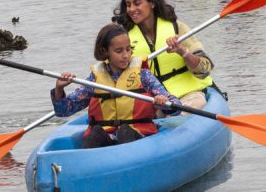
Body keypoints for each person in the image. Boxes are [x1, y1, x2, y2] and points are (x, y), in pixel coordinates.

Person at [51, 23, 181, 149]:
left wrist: (162, 102)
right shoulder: (95, 79)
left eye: (128, 49)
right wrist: (59, 89)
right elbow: (64, 111)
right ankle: (86, 166)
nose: (125, 55)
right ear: (105, 51)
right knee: (96, 132)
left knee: (125, 130)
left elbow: (175, 105)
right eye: (119, 51)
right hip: (109, 139)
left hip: (139, 137)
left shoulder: (143, 74)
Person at [113, 0, 222, 115]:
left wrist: (182, 51)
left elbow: (205, 69)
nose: (131, 10)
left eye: (137, 3)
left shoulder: (177, 28)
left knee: (197, 104)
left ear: (151, 3)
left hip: (188, 95)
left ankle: (174, 124)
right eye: (128, 5)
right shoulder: (124, 38)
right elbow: (109, 73)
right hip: (152, 100)